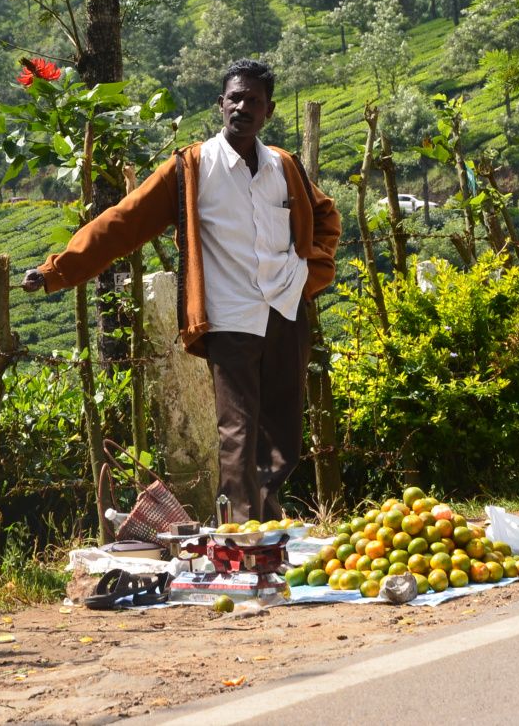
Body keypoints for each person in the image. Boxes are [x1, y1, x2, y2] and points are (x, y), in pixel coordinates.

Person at [22, 59, 340, 521]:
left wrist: (311, 273)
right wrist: (56, 271)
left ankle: (266, 527)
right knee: (238, 432)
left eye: (253, 100)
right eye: (235, 98)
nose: (242, 107)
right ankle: (241, 534)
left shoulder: (283, 166)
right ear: (220, 104)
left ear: (268, 111)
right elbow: (124, 223)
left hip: (286, 310)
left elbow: (325, 216)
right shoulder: (192, 168)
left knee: (282, 436)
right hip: (230, 317)